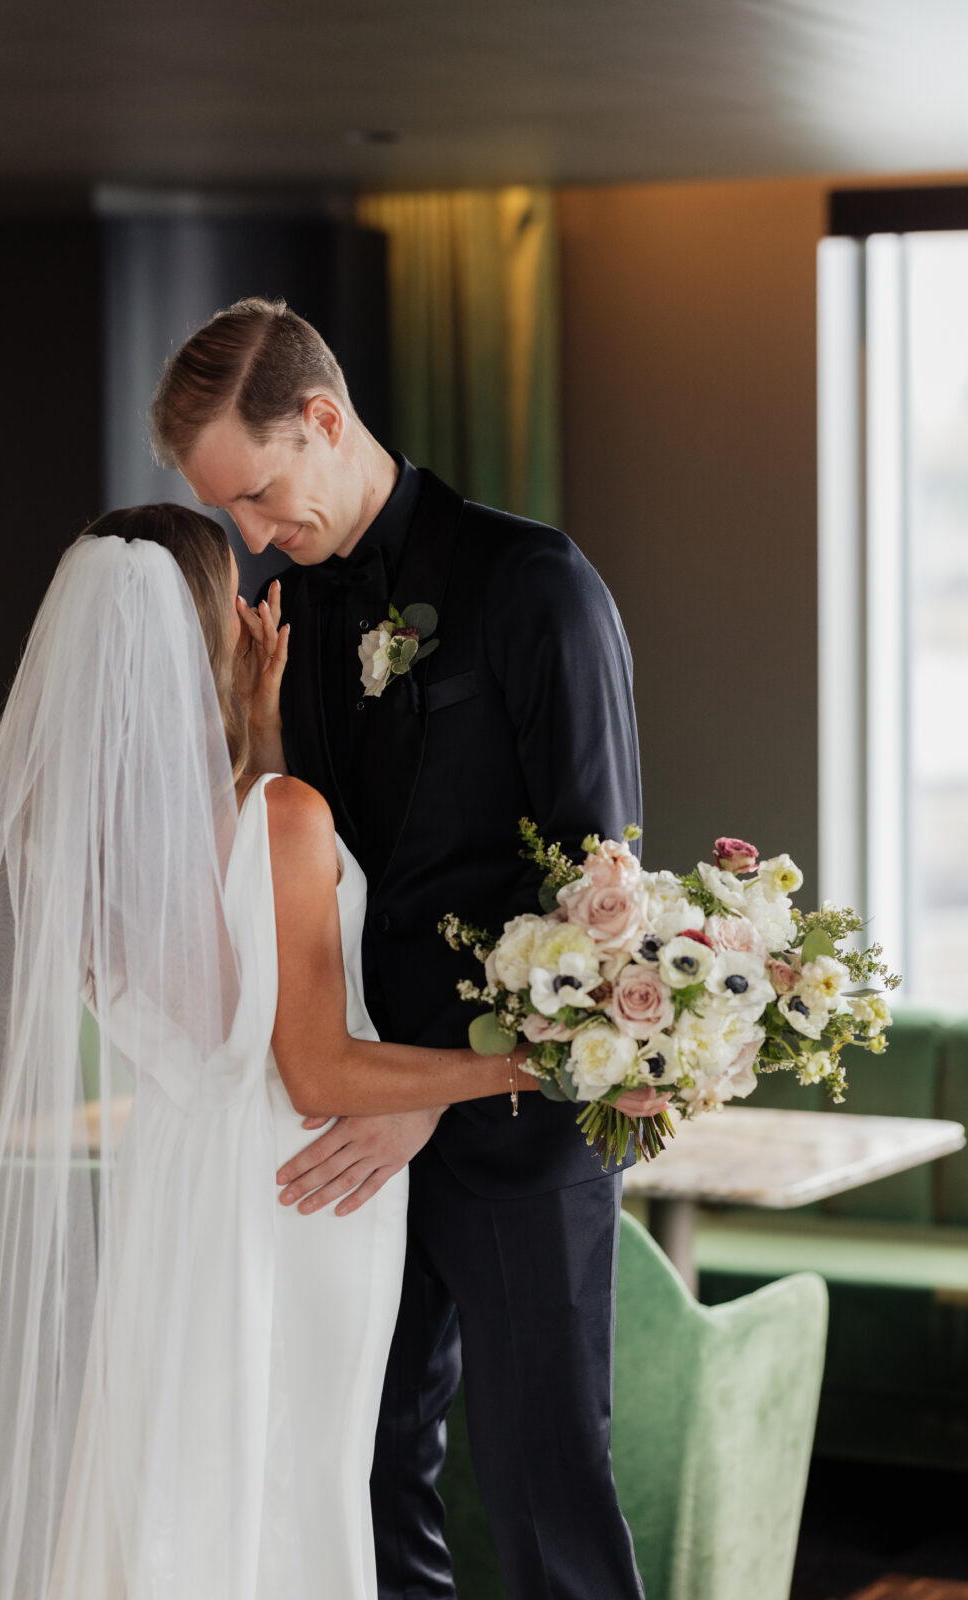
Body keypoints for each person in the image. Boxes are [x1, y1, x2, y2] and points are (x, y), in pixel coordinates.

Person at [0, 505, 536, 1600]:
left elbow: (214, 991)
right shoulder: (281, 815)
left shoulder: (69, 831)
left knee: (180, 1477)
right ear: (215, 624)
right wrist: (530, 1061)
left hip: (173, 1197)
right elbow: (313, 1070)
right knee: (293, 1483)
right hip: (307, 1194)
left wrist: (264, 733)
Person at [151, 297, 649, 1598]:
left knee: (546, 1485)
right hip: (346, 1133)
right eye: (231, 519)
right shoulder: (294, 609)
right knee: (359, 1471)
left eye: (257, 497)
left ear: (321, 419)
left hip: (511, 1127)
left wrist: (432, 1095)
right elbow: (301, 870)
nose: (252, 541)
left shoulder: (534, 584)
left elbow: (600, 886)